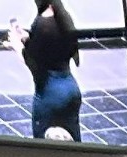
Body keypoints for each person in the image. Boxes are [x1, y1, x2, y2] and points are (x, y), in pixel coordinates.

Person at [21, 1, 81, 141]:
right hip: (71, 89)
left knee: (45, 151)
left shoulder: (42, 22)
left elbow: (34, 62)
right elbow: (52, 47)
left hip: (49, 96)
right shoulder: (64, 18)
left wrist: (16, 44)